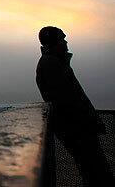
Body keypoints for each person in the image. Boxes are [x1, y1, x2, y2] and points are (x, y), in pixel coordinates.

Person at [36, 26, 114, 186]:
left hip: (78, 130)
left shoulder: (54, 63)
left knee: (93, 173)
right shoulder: (51, 64)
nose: (66, 42)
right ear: (54, 43)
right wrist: (87, 125)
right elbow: (67, 101)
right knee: (98, 175)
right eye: (62, 39)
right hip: (79, 131)